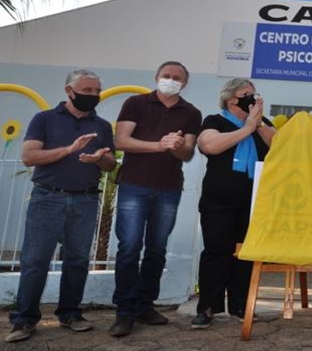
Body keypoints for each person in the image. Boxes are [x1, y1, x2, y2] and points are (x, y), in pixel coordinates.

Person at [5, 69, 116, 343]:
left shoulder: (101, 125)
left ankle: (70, 314)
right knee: (35, 261)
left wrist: (100, 159)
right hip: (48, 198)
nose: (93, 95)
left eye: (96, 91)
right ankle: (24, 319)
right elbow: (29, 156)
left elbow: (111, 164)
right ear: (69, 91)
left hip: (87, 199)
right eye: (87, 90)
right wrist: (69, 150)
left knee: (77, 260)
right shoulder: (44, 119)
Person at [109, 61, 202, 337]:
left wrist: (174, 147)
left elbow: (187, 153)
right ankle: (124, 311)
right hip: (133, 185)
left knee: (157, 249)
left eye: (177, 78)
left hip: (169, 188)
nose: (171, 80)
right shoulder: (135, 103)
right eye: (166, 76)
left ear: (185, 83)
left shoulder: (191, 113)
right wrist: (158, 145)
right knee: (129, 247)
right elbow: (121, 141)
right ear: (156, 77)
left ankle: (144, 305)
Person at [190, 78, 275, 329]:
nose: (252, 97)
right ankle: (207, 307)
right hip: (219, 201)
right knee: (216, 252)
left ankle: (240, 305)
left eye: (253, 93)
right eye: (245, 94)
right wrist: (245, 129)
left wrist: (257, 124)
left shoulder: (261, 124)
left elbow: (280, 145)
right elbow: (209, 145)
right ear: (231, 99)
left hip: (253, 201)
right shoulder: (214, 121)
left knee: (246, 254)